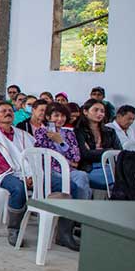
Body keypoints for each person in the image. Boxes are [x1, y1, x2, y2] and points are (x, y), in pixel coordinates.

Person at [33, 103, 91, 250]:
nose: (60, 119)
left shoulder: (69, 133)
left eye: (63, 116)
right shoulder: (41, 132)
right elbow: (48, 157)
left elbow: (76, 157)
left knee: (82, 177)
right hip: (50, 171)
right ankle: (66, 231)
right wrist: (65, 156)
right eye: (56, 115)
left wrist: (61, 142)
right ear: (48, 117)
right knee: (72, 187)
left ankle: (76, 221)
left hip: (69, 170)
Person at [0, 101, 35, 246]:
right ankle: (14, 229)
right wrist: (23, 178)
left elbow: (33, 156)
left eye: (10, 110)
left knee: (60, 183)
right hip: (3, 175)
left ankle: (63, 231)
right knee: (18, 188)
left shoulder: (23, 135)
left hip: (28, 173)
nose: (8, 113)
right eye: (3, 111)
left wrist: (33, 175)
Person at [74, 99, 122, 190]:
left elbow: (119, 152)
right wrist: (108, 151)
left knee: (121, 178)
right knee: (122, 179)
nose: (100, 113)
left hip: (110, 166)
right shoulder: (79, 131)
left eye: (102, 111)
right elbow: (84, 154)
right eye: (95, 110)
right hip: (90, 168)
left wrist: (94, 152)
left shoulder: (110, 131)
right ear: (85, 112)